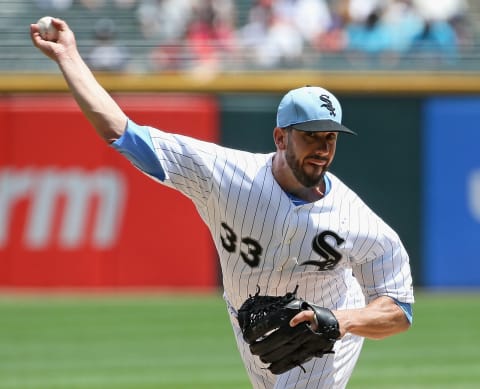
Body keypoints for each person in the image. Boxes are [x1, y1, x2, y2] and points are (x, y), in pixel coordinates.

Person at [30, 18, 414, 389]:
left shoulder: (357, 221)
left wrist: (341, 321)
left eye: (330, 138)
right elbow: (124, 133)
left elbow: (399, 310)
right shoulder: (226, 174)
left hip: (323, 336)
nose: (322, 149)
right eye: (311, 137)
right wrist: (69, 58)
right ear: (281, 137)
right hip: (248, 324)